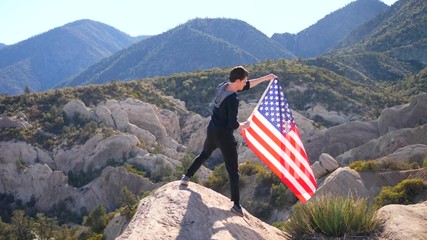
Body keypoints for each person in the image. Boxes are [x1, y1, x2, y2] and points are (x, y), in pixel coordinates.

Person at [180, 66, 277, 217]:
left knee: (204, 154)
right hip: (224, 136)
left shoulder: (223, 86)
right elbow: (232, 124)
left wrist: (265, 78)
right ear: (238, 81)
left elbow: (247, 85)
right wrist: (244, 125)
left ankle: (186, 177)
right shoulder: (233, 99)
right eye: (244, 81)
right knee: (233, 170)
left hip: (212, 130)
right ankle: (236, 206)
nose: (245, 83)